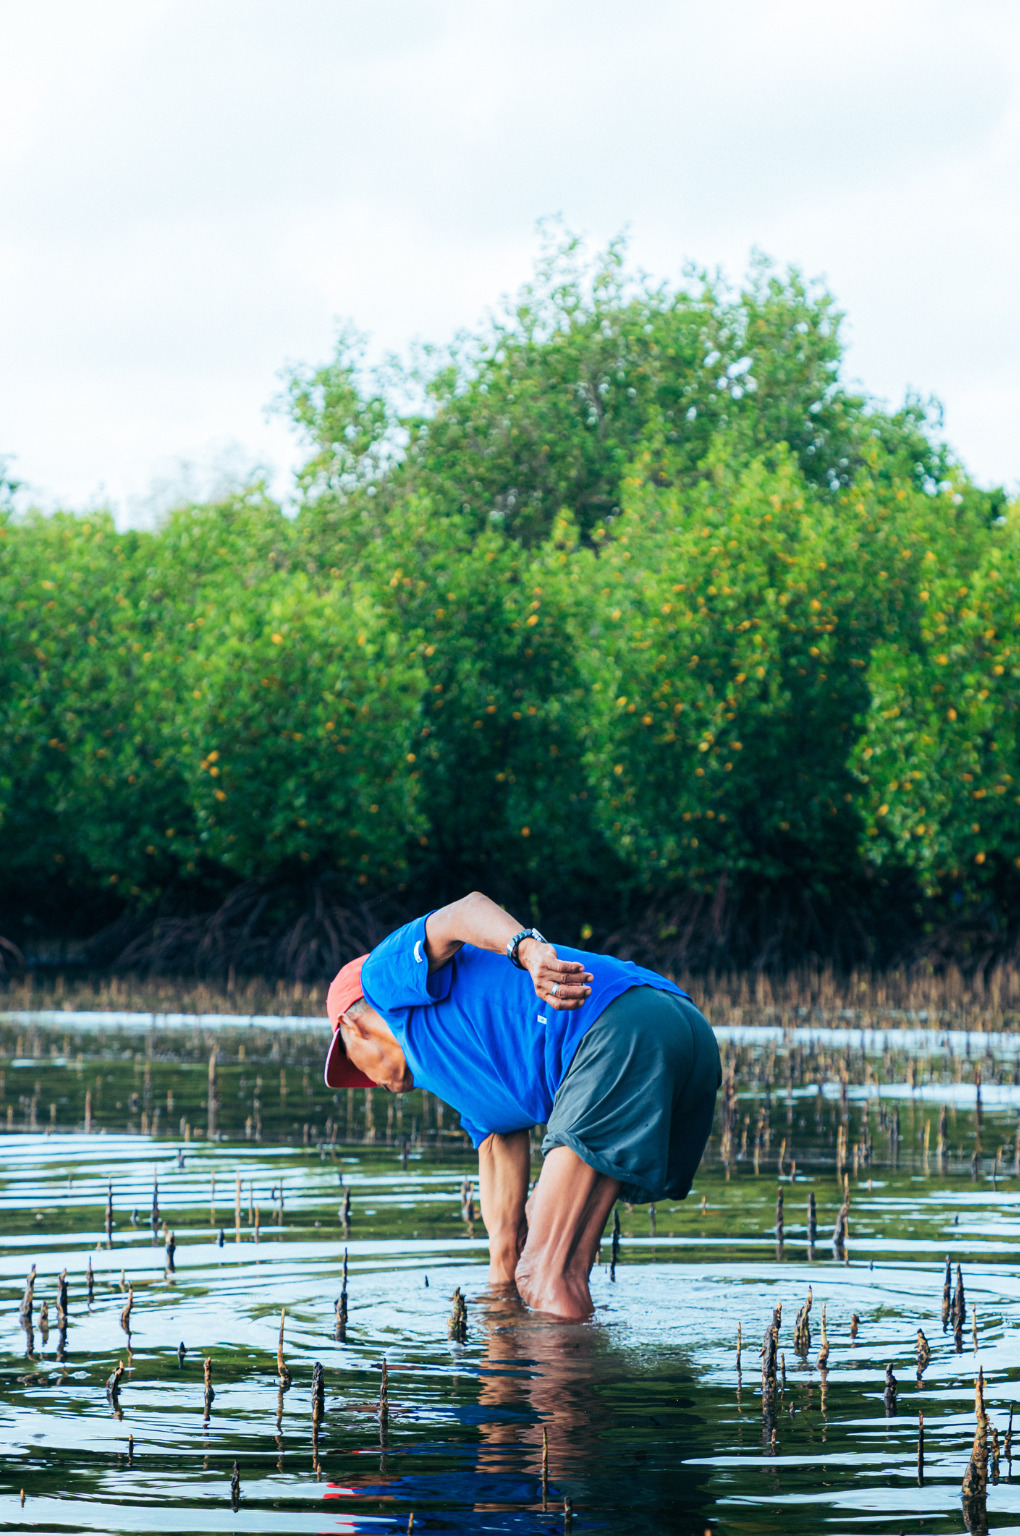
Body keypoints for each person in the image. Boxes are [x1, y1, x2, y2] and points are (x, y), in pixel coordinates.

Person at [323, 891, 720, 1319]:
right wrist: (498, 1323)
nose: (368, 1084)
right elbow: (505, 1246)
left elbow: (462, 912)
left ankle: (566, 1363)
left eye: (350, 1064)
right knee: (542, 1256)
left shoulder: (380, 980)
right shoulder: (479, 1101)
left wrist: (527, 950)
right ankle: (577, 1357)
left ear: (352, 1026)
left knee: (544, 1276)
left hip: (618, 1029)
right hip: (682, 1026)